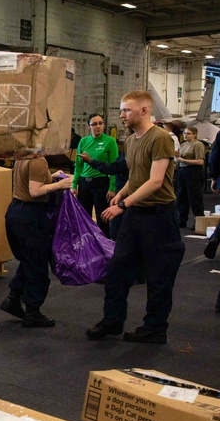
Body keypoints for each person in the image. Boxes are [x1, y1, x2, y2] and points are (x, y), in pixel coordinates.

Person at [87, 91, 183, 344]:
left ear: (144, 110)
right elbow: (134, 177)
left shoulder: (160, 138)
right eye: (121, 110)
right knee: (117, 270)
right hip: (135, 215)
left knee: (159, 276)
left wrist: (123, 204)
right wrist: (119, 196)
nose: (121, 115)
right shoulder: (130, 141)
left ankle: (154, 329)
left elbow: (155, 181)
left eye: (126, 110)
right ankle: (112, 321)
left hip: (160, 217)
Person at [0, 159, 74, 327]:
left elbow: (30, 181)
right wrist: (59, 185)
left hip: (16, 211)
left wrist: (51, 177)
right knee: (37, 265)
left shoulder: (22, 155)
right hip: (31, 216)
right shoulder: (38, 160)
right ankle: (33, 312)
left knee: (29, 260)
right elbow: (35, 191)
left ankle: (12, 299)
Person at [72, 113, 118, 237]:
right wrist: (74, 184)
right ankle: (86, 245)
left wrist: (112, 187)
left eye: (100, 123)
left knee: (102, 216)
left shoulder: (110, 141)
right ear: (89, 126)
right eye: (94, 124)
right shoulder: (83, 141)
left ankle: (104, 246)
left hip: (101, 183)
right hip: (84, 183)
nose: (98, 127)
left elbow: (114, 167)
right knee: (84, 216)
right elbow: (78, 165)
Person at [175, 125, 206, 229]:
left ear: (194, 134)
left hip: (193, 172)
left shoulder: (198, 145)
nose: (185, 135)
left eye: (188, 133)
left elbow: (200, 161)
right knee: (181, 197)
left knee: (194, 197)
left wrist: (183, 160)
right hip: (182, 171)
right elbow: (179, 157)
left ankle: (198, 221)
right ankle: (182, 220)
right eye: (184, 133)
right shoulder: (183, 145)